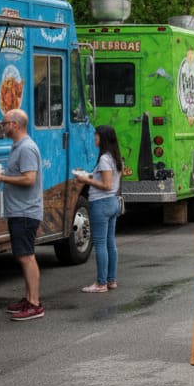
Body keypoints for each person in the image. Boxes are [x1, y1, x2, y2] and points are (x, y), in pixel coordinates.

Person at [0, 109, 46, 320]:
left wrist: (2, 178)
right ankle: (28, 297)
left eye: (5, 123)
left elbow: (29, 179)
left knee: (26, 257)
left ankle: (34, 303)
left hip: (25, 211)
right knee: (23, 256)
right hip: (19, 210)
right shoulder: (18, 147)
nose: (2, 127)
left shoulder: (26, 148)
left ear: (15, 124)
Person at [76, 125, 121, 293]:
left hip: (101, 203)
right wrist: (89, 175)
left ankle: (101, 283)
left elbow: (106, 185)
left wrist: (86, 181)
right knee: (110, 242)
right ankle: (111, 280)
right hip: (112, 202)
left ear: (103, 138)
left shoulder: (104, 159)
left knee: (100, 243)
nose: (94, 139)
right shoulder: (115, 157)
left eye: (96, 136)